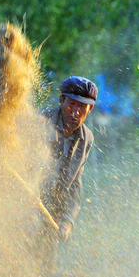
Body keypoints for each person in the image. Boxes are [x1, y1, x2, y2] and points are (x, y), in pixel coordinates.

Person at [40, 76, 98, 243]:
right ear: (61, 101)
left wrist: (67, 221)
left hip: (52, 217)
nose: (76, 111)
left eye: (82, 106)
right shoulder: (40, 123)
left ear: (90, 109)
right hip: (25, 210)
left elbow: (74, 185)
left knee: (45, 266)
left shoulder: (87, 138)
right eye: (72, 103)